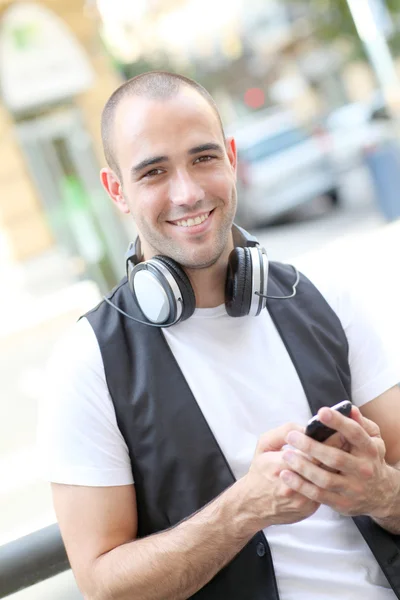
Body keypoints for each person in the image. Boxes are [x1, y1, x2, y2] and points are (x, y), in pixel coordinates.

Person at [38, 71, 400, 600]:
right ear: (117, 191)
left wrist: (382, 492)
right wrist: (244, 508)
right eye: (154, 172)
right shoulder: (87, 361)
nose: (187, 192)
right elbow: (104, 586)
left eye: (203, 158)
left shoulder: (328, 297)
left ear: (230, 157)